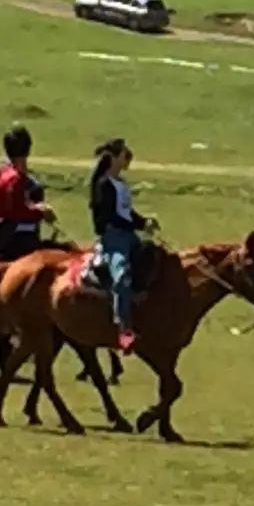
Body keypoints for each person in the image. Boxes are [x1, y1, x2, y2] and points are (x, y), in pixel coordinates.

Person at [90, 137, 150, 353]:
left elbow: (126, 212)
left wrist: (143, 222)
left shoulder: (121, 185)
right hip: (114, 238)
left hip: (129, 234)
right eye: (124, 154)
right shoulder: (103, 185)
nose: (128, 158)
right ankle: (123, 328)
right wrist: (135, 224)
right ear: (115, 157)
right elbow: (110, 217)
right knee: (122, 275)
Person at [0, 124, 46, 264]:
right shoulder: (16, 179)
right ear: (28, 150)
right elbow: (16, 212)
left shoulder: (0, 173)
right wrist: (41, 212)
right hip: (10, 240)